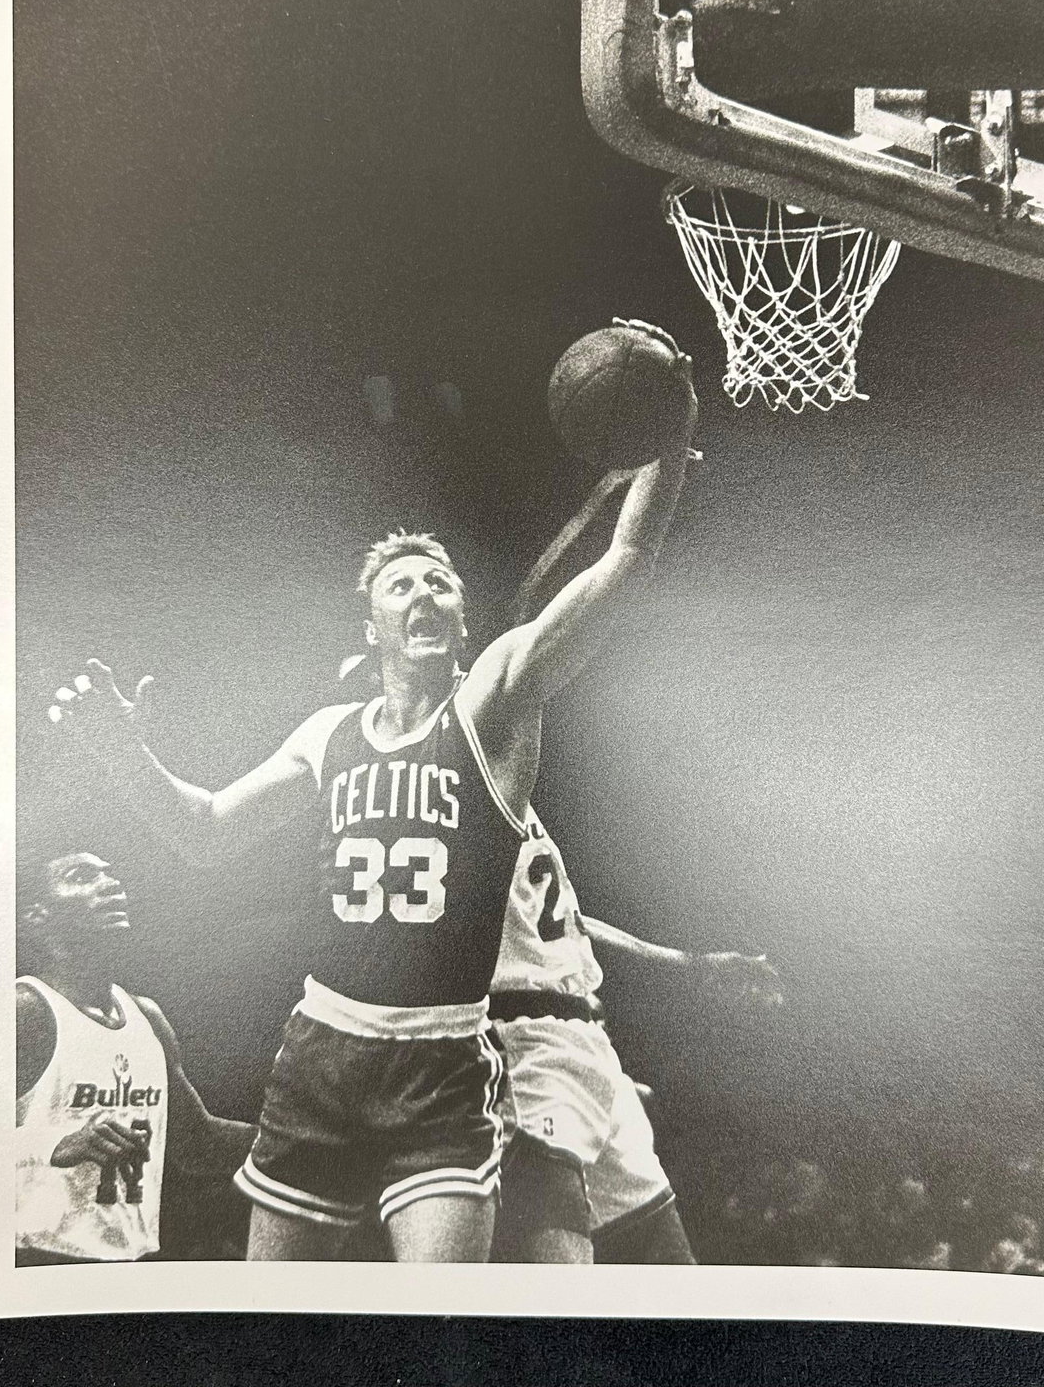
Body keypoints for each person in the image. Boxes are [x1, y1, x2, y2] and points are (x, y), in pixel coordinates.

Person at [48, 320, 698, 1263]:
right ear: (375, 624)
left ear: (462, 618)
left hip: (444, 1058)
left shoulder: (495, 706)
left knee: (442, 1327)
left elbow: (623, 562)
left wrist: (668, 437)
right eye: (403, 584)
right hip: (323, 1048)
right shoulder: (326, 734)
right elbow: (204, 829)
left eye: (440, 581)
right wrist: (121, 756)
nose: (426, 592)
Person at [490, 819, 783, 1264]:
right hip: (522, 1039)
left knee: (671, 1275)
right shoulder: (455, 782)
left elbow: (569, 920)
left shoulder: (515, 796)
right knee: (560, 1293)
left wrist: (687, 963)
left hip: (588, 1041)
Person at [16, 849, 255, 1265]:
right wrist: (56, 1143)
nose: (111, 884)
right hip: (34, 1257)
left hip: (130, 1259)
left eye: (111, 874)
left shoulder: (147, 1016)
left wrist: (302, 1137)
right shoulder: (25, 1010)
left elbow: (196, 1143)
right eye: (82, 876)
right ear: (37, 916)